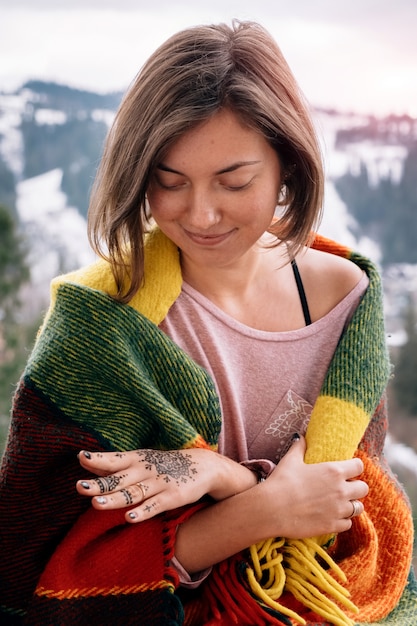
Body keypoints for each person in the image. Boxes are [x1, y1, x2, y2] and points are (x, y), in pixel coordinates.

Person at [0, 20, 416, 626]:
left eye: (234, 182)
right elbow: (33, 573)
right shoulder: (101, 329)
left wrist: (224, 478)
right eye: (170, 183)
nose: (200, 214)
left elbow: (347, 517)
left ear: (287, 168)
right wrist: (260, 508)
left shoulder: (346, 303)